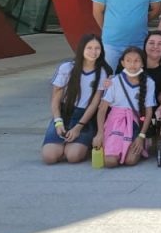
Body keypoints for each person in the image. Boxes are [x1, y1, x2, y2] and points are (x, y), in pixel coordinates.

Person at [41, 34, 111, 164]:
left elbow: (94, 104)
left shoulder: (102, 72)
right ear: (81, 49)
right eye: (89, 48)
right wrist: (58, 122)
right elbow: (56, 98)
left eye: (97, 48)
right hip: (64, 114)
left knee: (73, 157)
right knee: (49, 157)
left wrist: (78, 127)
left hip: (84, 117)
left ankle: (81, 144)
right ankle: (62, 144)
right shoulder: (66, 68)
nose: (93, 52)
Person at [93, 46, 155, 168]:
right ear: (122, 63)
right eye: (128, 60)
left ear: (142, 63)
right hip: (115, 123)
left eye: (137, 61)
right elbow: (102, 109)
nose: (132, 64)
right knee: (110, 162)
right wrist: (100, 132)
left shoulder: (149, 82)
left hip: (135, 123)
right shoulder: (114, 81)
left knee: (130, 161)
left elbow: (148, 112)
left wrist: (141, 136)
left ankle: (143, 143)